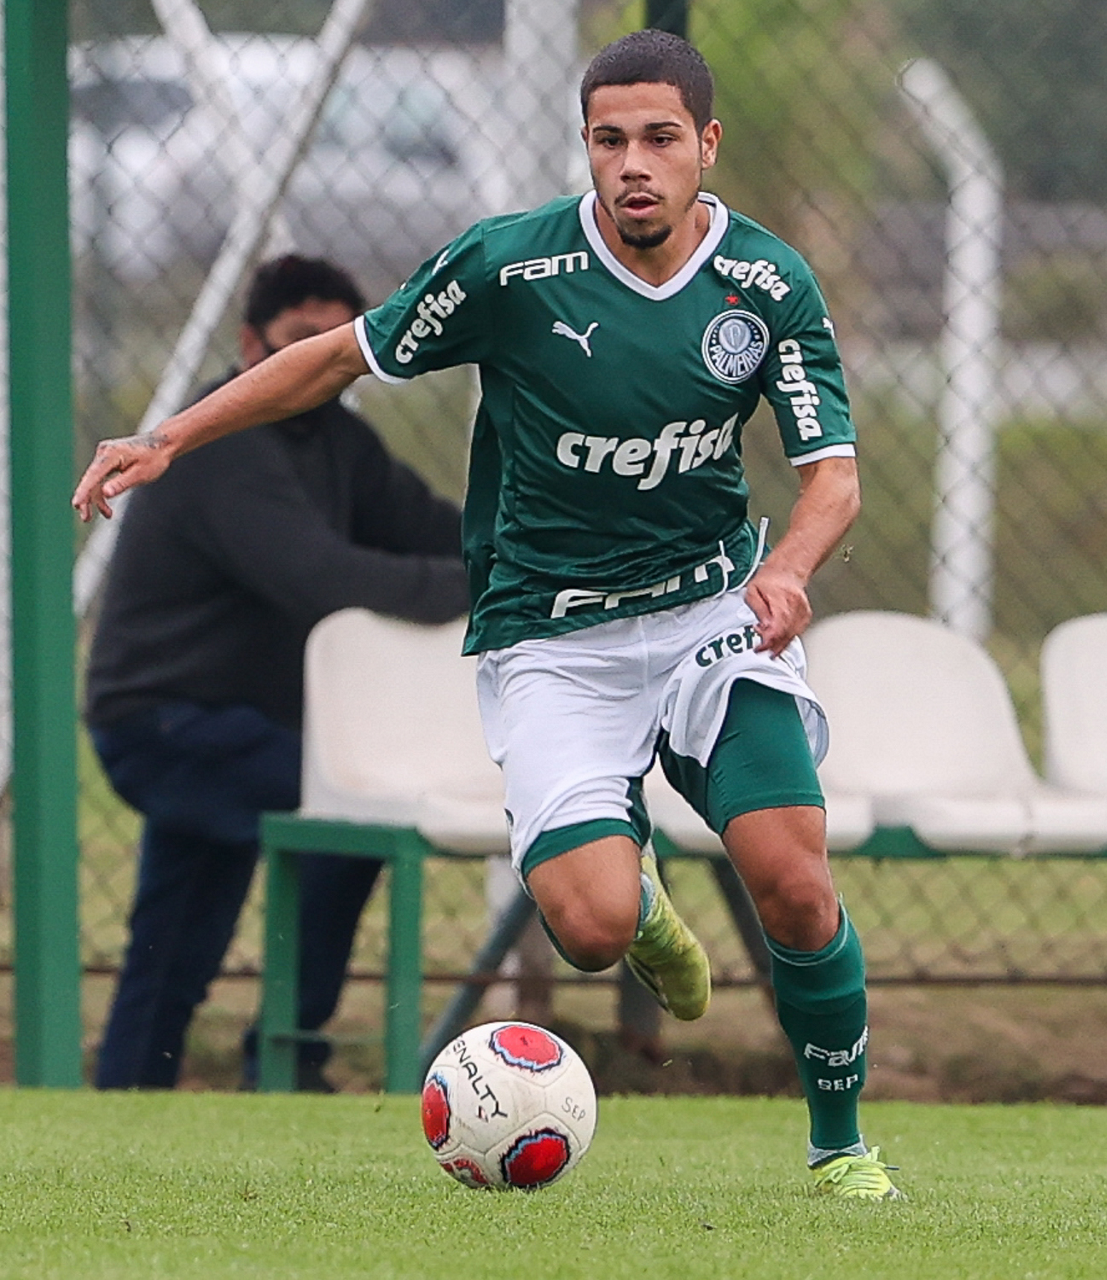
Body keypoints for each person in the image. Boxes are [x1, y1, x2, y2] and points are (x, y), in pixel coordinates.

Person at [75, 31, 900, 1197]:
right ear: (587, 147)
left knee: (794, 874)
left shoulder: (766, 283)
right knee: (592, 926)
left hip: (710, 613)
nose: (635, 163)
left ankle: (840, 1145)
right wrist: (171, 434)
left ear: (707, 145)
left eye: (661, 138)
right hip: (553, 636)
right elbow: (338, 358)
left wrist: (792, 568)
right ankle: (637, 894)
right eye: (610, 139)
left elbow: (834, 478)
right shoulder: (510, 268)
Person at [84, 254, 470, 1092]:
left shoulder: (341, 442)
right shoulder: (224, 447)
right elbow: (318, 579)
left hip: (246, 725)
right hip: (165, 720)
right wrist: (482, 585)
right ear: (251, 343)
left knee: (177, 933)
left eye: (333, 344)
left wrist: (529, 554)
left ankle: (130, 1089)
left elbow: (436, 528)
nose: (316, 361)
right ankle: (288, 1057)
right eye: (300, 340)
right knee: (352, 819)